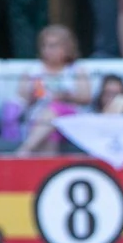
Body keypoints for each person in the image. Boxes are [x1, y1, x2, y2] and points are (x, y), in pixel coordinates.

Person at [17, 25, 93, 155]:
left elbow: (87, 97)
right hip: (39, 118)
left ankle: (24, 150)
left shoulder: (76, 70)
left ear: (67, 47)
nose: (48, 50)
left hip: (71, 120)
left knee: (55, 108)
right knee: (50, 130)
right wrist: (32, 96)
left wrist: (66, 97)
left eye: (53, 46)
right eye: (44, 46)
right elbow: (21, 100)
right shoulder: (33, 71)